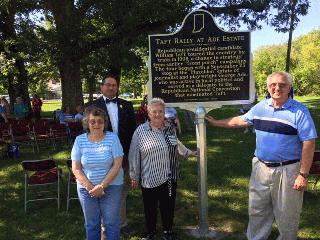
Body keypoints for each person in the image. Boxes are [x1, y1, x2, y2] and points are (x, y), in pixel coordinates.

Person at [205, 71, 317, 240]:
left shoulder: (300, 112)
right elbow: (240, 120)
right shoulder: (260, 107)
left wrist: (303, 174)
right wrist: (216, 122)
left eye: (282, 85)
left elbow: (309, 142)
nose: (277, 88)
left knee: (287, 213)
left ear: (289, 87)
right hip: (260, 168)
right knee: (257, 210)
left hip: (287, 170)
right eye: (273, 85)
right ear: (268, 87)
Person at [129, 98, 196, 240]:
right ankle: (150, 231)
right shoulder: (140, 131)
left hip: (169, 175)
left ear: (164, 112)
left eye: (160, 111)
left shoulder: (170, 128)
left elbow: (177, 145)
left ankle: (167, 231)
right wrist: (134, 175)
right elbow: (134, 154)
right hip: (149, 177)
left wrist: (190, 153)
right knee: (150, 207)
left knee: (168, 205)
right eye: (154, 111)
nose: (158, 114)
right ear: (148, 112)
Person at [92, 73, 136, 232]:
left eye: (114, 85)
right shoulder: (92, 107)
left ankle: (121, 223)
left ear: (117, 88)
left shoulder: (127, 105)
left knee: (122, 189)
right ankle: (105, 225)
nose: (111, 87)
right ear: (102, 87)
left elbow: (133, 131)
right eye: (108, 84)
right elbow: (88, 132)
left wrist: (131, 154)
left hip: (123, 154)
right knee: (104, 189)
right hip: (102, 155)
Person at [71, 106, 124, 240]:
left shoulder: (113, 138)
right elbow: (76, 168)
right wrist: (90, 187)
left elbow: (117, 165)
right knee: (91, 224)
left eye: (100, 121)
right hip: (86, 189)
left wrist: (101, 186)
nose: (96, 124)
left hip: (112, 187)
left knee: (111, 223)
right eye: (92, 121)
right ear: (87, 123)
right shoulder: (79, 140)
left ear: (104, 123)